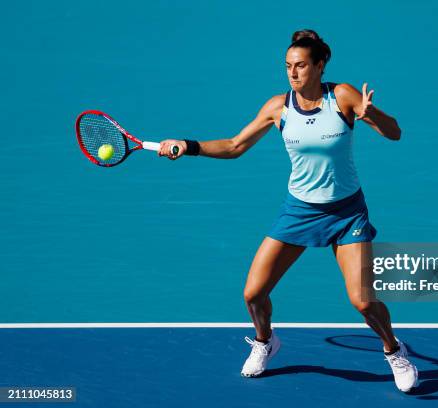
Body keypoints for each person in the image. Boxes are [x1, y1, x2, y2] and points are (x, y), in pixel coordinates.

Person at [158, 29, 418, 392]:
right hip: (299, 211)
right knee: (253, 294)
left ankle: (394, 350)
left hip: (347, 214)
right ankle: (266, 342)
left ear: (320, 65)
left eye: (300, 65)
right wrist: (189, 145)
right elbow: (234, 145)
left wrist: (374, 115)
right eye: (287, 66)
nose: (292, 73)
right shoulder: (277, 107)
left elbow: (396, 134)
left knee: (363, 301)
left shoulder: (341, 96)